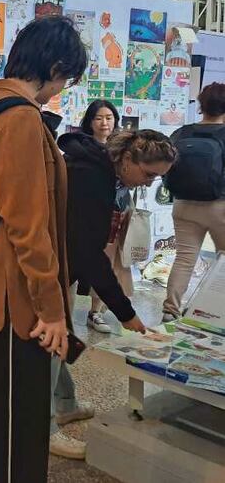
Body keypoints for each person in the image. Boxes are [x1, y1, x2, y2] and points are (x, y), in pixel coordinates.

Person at [0, 16, 86, 483]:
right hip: (15, 302)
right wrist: (51, 310)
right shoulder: (20, 120)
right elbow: (29, 228)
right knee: (13, 432)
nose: (60, 90)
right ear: (53, 65)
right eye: (64, 78)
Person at [52, 128, 175, 458]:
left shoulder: (100, 170)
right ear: (127, 158)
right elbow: (88, 253)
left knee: (60, 334)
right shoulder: (92, 179)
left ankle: (64, 404)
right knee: (49, 343)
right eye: (148, 174)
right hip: (45, 265)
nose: (149, 183)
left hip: (59, 264)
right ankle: (43, 425)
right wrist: (126, 313)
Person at [162, 82, 225, 322]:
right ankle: (213, 314)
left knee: (185, 259)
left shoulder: (181, 133)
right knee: (223, 261)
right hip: (220, 206)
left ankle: (170, 310)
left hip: (183, 205)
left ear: (201, 105)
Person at [76, 99, 130, 334]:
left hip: (116, 211)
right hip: (87, 214)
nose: (104, 122)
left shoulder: (123, 147)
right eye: (99, 118)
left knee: (107, 262)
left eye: (109, 117)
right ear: (90, 122)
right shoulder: (81, 146)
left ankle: (95, 311)